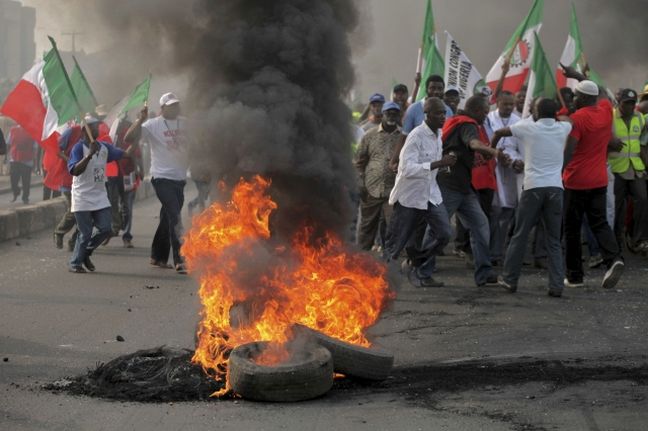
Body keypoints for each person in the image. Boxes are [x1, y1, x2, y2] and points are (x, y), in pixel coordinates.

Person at [492, 98, 572, 297]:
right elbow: (566, 118)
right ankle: (556, 286)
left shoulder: (527, 128)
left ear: (536, 112)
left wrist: (492, 151)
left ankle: (510, 280)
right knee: (554, 239)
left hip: (533, 187)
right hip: (555, 188)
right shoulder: (563, 128)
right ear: (554, 113)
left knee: (520, 235)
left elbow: (499, 132)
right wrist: (556, 112)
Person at [437, 95, 511, 287]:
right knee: (438, 230)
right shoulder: (467, 125)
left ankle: (484, 273)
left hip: (464, 187)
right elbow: (474, 143)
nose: (485, 117)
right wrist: (495, 152)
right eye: (485, 113)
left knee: (480, 225)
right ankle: (419, 264)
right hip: (450, 186)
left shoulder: (456, 121)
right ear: (477, 111)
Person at [560, 71, 624, 289]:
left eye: (576, 96)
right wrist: (579, 75)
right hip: (599, 179)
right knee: (600, 222)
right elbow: (604, 93)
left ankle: (575, 276)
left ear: (584, 98)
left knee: (572, 228)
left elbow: (569, 150)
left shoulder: (578, 119)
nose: (573, 99)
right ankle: (614, 259)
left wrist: (559, 172)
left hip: (576, 180)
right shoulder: (606, 112)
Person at [385, 97, 456, 287]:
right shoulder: (416, 136)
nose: (443, 116)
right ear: (427, 115)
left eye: (444, 113)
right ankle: (377, 284)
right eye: (439, 113)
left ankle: (413, 264)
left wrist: (443, 166)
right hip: (410, 197)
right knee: (396, 244)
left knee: (444, 234)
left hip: (431, 195)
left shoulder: (438, 135)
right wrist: (439, 163)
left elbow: (430, 166)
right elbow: (406, 168)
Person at [124, 93, 189, 274]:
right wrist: (139, 120)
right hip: (161, 178)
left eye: (177, 104)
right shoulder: (152, 125)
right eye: (171, 105)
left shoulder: (185, 122)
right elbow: (128, 139)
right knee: (175, 216)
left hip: (179, 178)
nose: (175, 108)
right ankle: (180, 259)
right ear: (162, 108)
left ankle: (157, 256)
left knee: (167, 217)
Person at [67, 117, 138, 273]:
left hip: (99, 196)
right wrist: (89, 155)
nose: (98, 129)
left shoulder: (105, 147)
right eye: (94, 127)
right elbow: (74, 170)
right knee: (85, 233)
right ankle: (75, 263)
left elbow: (125, 154)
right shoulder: (78, 149)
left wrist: (136, 140)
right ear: (85, 130)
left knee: (106, 229)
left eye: (97, 126)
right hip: (82, 196)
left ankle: (85, 253)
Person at [355, 101, 402, 251]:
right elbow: (359, 161)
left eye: (395, 113)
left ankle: (389, 261)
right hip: (371, 188)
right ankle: (360, 260)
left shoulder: (404, 137)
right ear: (383, 114)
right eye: (389, 113)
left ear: (399, 115)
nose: (392, 116)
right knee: (367, 227)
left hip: (394, 191)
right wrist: (361, 183)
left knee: (393, 227)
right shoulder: (369, 135)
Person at [485, 91, 522, 265]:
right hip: (493, 169)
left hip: (511, 172)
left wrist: (518, 161)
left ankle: (497, 253)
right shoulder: (488, 119)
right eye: (505, 104)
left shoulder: (519, 121)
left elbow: (522, 148)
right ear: (497, 102)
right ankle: (489, 251)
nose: (508, 107)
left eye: (511, 104)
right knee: (494, 212)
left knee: (507, 212)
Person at [609, 88, 648, 253]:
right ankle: (616, 239)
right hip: (616, 168)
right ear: (619, 103)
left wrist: (646, 166)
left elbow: (642, 144)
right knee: (617, 206)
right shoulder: (609, 117)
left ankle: (638, 239)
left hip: (635, 167)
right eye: (627, 103)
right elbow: (599, 136)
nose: (630, 106)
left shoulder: (640, 118)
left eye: (633, 103)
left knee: (642, 199)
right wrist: (609, 142)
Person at [54, 125, 83, 251]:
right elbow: (57, 150)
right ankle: (59, 232)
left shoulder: (96, 135)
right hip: (69, 179)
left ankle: (74, 242)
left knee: (85, 214)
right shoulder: (72, 132)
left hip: (85, 182)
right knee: (74, 211)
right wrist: (72, 161)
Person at [7, 124, 37, 204]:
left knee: (26, 181)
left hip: (27, 160)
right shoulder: (13, 130)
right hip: (14, 158)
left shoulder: (32, 131)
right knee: (13, 180)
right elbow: (9, 143)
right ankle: (16, 192)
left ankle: (25, 197)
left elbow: (35, 147)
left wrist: (34, 161)